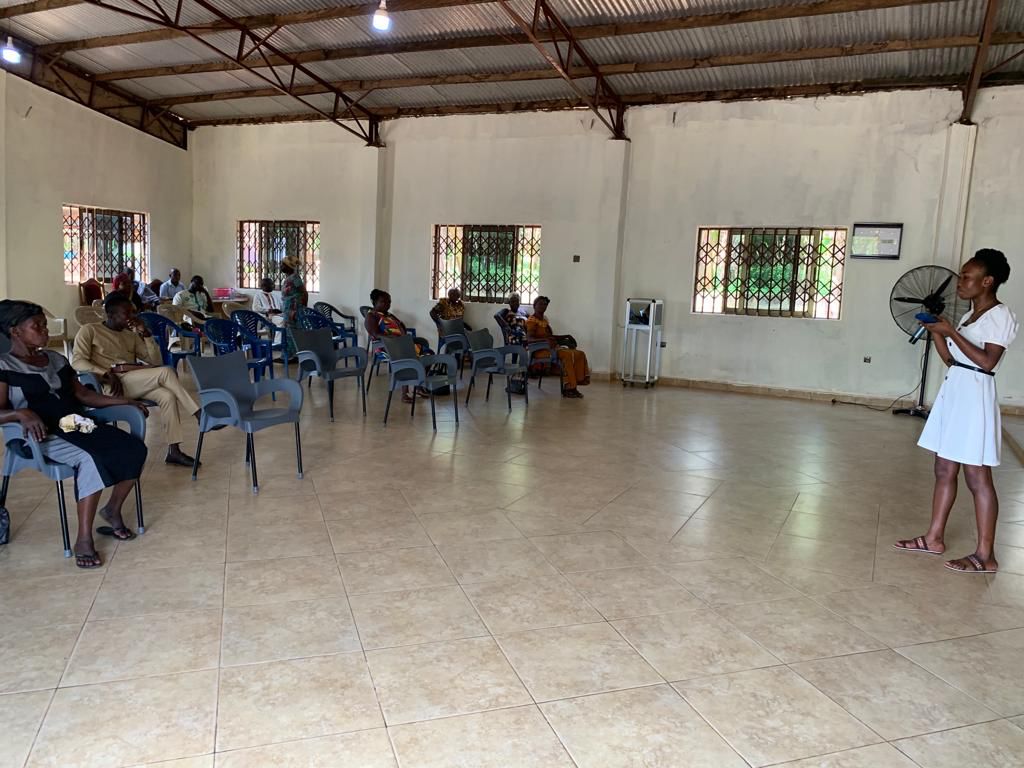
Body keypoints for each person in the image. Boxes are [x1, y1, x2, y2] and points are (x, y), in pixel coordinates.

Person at [895, 249, 1018, 574]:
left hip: (975, 396)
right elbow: (953, 360)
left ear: (987, 281)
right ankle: (933, 538)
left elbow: (988, 361)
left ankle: (985, 555)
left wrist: (950, 332)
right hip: (956, 392)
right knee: (944, 469)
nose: (960, 282)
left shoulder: (999, 316)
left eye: (967, 277)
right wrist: (938, 333)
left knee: (978, 478)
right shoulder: (969, 316)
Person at [0, 300, 149, 568]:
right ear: (16, 331)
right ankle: (83, 539)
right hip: (37, 434)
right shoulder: (4, 366)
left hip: (73, 422)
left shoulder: (55, 359)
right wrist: (19, 413)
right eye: (38, 327)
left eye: (45, 326)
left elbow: (83, 394)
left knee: (133, 448)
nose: (46, 331)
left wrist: (124, 401)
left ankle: (112, 509)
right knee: (90, 459)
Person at [72, 293, 201, 467]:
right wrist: (104, 373)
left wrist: (146, 334)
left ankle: (174, 450)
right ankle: (198, 413)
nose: (132, 317)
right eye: (127, 313)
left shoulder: (130, 335)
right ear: (111, 315)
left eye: (133, 312)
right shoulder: (90, 330)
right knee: (167, 372)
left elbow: (155, 361)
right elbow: (78, 361)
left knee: (167, 396)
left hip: (133, 381)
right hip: (111, 387)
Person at [364, 289, 432, 403]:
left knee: (428, 354)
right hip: (386, 347)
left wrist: (404, 337)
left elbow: (401, 327)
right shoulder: (372, 316)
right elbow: (376, 334)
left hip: (401, 344)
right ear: (374, 302)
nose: (387, 304)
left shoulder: (390, 315)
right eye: (383, 302)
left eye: (389, 302)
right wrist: (394, 339)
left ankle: (419, 386)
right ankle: (404, 393)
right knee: (406, 358)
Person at [526, 295, 590, 399]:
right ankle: (568, 387)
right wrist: (545, 340)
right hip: (540, 350)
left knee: (579, 353)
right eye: (540, 304)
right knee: (567, 355)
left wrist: (566, 336)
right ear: (534, 305)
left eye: (545, 304)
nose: (543, 306)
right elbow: (529, 339)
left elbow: (550, 337)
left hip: (551, 348)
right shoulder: (531, 321)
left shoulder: (544, 321)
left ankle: (574, 386)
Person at [280, 256, 308, 358]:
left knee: (293, 332)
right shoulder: (287, 279)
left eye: (283, 264)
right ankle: (289, 355)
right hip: (288, 310)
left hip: (294, 310)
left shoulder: (295, 277)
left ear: (289, 266)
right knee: (288, 332)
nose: (281, 266)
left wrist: (302, 308)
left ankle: (294, 355)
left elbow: (304, 293)